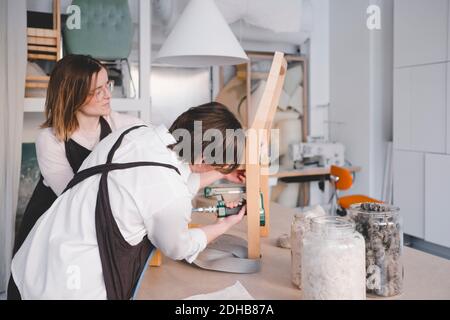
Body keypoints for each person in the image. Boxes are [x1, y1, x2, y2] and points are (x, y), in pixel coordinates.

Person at [9, 102, 246, 300]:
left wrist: (221, 172)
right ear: (204, 157)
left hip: (28, 265)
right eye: (218, 164)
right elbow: (178, 246)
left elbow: (162, 184)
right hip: (68, 288)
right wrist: (224, 225)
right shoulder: (170, 192)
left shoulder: (134, 133)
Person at [13, 54, 145, 254]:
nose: (108, 95)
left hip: (95, 225)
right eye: (97, 91)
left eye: (107, 85)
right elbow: (75, 199)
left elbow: (161, 141)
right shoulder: (51, 139)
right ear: (73, 95)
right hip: (52, 233)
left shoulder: (121, 125)